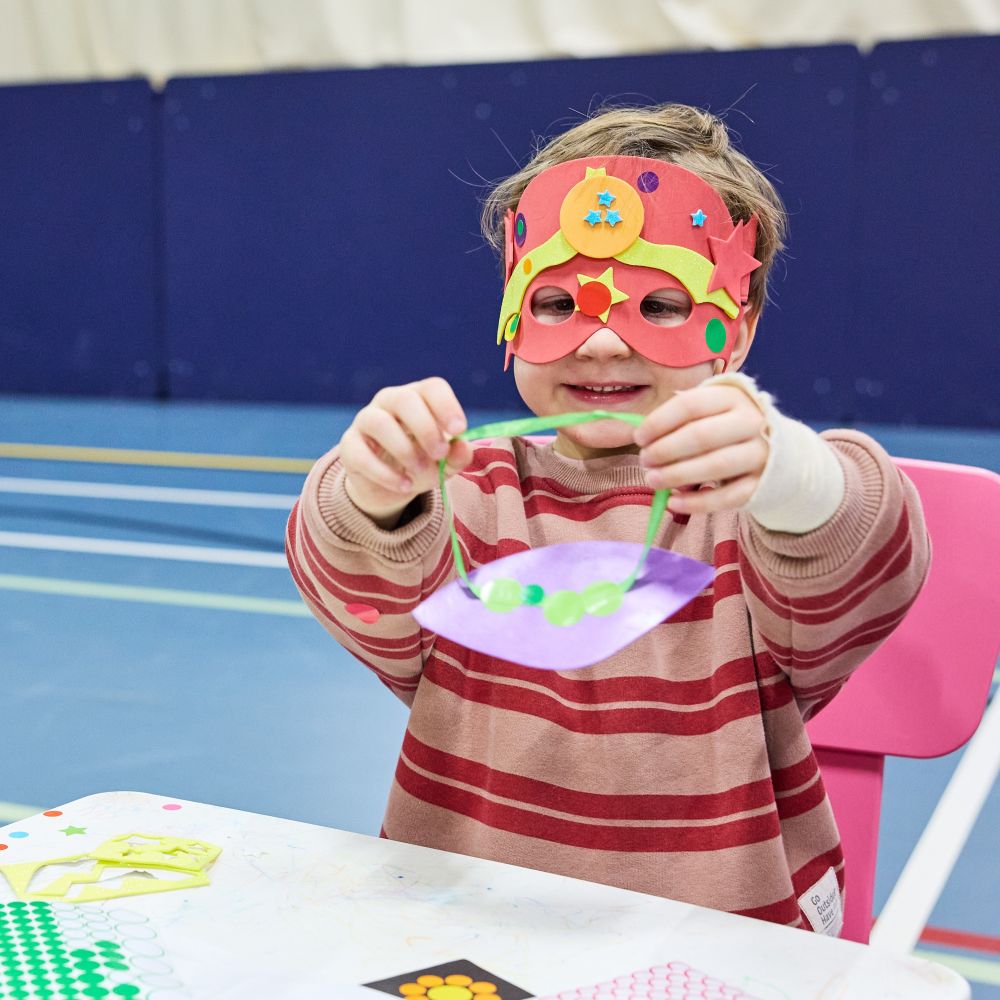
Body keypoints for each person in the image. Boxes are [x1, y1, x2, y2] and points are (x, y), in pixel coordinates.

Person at [286, 103, 929, 935]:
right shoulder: (467, 494)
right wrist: (377, 493)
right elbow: (364, 601)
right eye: (558, 302)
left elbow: (866, 557)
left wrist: (789, 476)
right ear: (512, 310)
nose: (599, 344)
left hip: (722, 944)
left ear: (736, 332)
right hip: (466, 936)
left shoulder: (749, 513)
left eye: (659, 307)